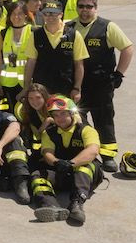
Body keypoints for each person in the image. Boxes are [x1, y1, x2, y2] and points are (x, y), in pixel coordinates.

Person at [74, 0, 133, 171]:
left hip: (101, 84)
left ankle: (108, 156)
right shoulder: (69, 26)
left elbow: (127, 48)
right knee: (78, 120)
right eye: (81, 6)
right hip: (77, 84)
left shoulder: (107, 26)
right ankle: (85, 152)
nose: (85, 10)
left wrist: (119, 74)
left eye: (89, 7)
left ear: (96, 8)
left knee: (104, 119)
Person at [32, 96, 104, 224]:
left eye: (63, 114)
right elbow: (47, 152)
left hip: (85, 177)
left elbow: (92, 151)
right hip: (62, 172)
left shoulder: (86, 130)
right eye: (56, 115)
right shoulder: (49, 133)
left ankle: (76, 205)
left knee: (85, 168)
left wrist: (72, 164)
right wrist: (56, 162)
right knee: (37, 176)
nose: (60, 118)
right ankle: (52, 206)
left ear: (71, 113)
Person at [23, 0, 87, 99]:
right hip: (41, 90)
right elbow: (31, 62)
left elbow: (79, 64)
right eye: (46, 14)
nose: (50, 17)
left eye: (54, 14)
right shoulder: (35, 35)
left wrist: (77, 88)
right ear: (42, 15)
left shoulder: (74, 35)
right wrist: (26, 87)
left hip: (66, 89)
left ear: (61, 15)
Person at [0, 1, 31, 108]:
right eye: (13, 14)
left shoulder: (33, 31)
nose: (16, 17)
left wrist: (27, 86)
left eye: (20, 13)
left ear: (25, 15)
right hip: (8, 83)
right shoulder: (3, 33)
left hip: (27, 82)